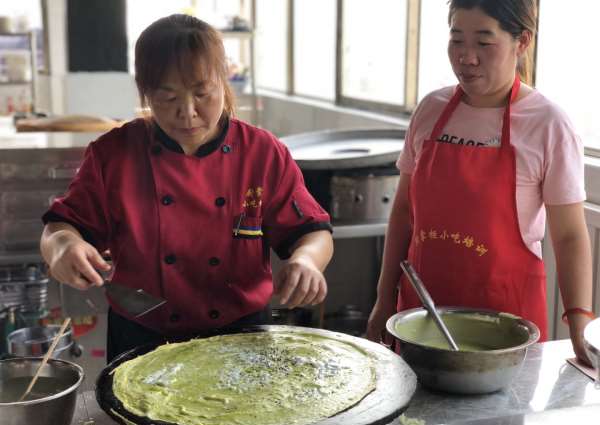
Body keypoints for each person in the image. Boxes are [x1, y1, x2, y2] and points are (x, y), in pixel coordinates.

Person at [40, 14, 334, 362]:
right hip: (142, 334)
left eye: (202, 93)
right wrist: (62, 247)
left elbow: (313, 232)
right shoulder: (114, 154)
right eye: (167, 98)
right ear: (145, 93)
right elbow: (60, 227)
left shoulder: (262, 152)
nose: (188, 113)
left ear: (222, 83)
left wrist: (306, 261)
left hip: (241, 334)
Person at [367, 0, 594, 364]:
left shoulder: (548, 124)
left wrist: (580, 324)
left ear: (522, 42)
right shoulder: (431, 110)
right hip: (422, 314)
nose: (466, 57)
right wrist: (382, 299)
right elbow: (405, 212)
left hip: (506, 323)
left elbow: (569, 236)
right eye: (457, 40)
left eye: (484, 43)